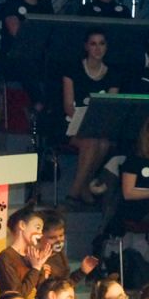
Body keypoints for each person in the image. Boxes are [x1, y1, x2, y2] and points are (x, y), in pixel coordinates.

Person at [62, 28, 121, 205]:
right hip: (72, 124)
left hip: (98, 127)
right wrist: (84, 123)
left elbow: (110, 106)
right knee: (91, 142)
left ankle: (82, 186)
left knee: (103, 144)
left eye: (101, 44)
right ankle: (74, 192)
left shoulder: (113, 73)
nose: (97, 48)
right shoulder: (73, 70)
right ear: (86, 46)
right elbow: (68, 106)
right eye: (93, 44)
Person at [0, 0, 53, 109]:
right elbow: (17, 33)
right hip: (15, 58)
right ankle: (38, 103)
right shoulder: (11, 5)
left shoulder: (46, 7)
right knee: (25, 60)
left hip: (41, 57)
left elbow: (53, 34)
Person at [0, 206, 50, 299]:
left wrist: (42, 270)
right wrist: (36, 268)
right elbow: (18, 294)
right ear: (22, 225)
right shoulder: (6, 257)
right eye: (37, 228)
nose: (40, 233)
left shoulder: (33, 257)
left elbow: (41, 295)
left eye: (41, 229)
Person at [37, 209, 100, 284]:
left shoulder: (59, 254)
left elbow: (65, 285)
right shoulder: (35, 260)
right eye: (52, 238)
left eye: (61, 235)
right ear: (39, 237)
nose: (58, 240)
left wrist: (82, 271)